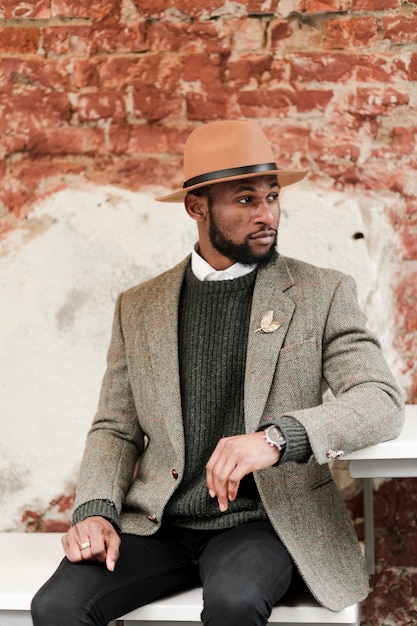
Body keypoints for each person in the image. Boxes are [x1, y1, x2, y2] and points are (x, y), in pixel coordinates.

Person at [31, 120, 404, 626]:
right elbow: (114, 428)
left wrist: (276, 439)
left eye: (272, 197)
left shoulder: (323, 293)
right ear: (196, 207)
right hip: (157, 523)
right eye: (246, 200)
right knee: (57, 607)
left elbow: (380, 400)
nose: (267, 214)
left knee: (234, 602)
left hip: (264, 523)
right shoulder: (138, 307)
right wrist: (95, 509)